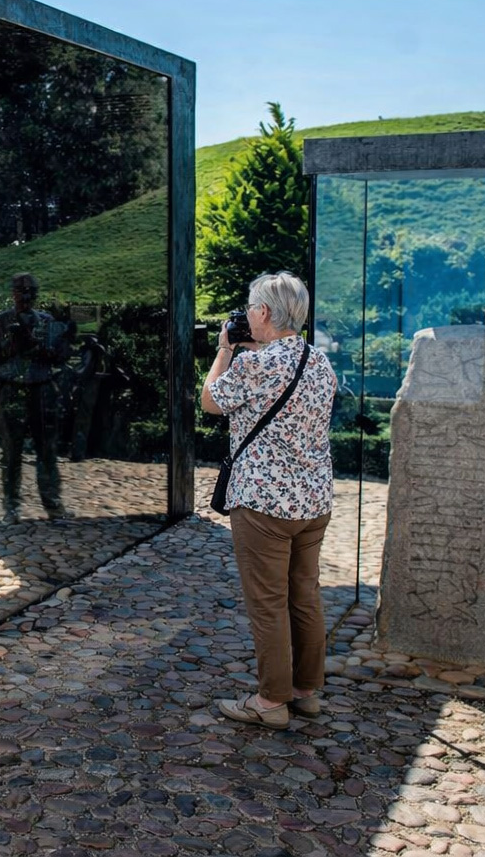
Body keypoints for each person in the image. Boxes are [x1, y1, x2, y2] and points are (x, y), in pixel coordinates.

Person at [201, 271, 337, 728]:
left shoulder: (254, 364)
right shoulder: (318, 362)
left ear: (262, 312)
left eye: (250, 307)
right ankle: (306, 692)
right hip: (313, 503)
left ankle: (270, 701)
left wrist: (225, 348)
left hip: (263, 504)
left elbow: (210, 402)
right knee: (304, 595)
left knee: (268, 601)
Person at [0, 273, 71, 522]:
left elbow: (57, 356)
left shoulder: (46, 321)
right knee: (11, 452)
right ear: (13, 293)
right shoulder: (0, 322)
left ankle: (52, 504)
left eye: (31, 291)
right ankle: (11, 507)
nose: (26, 296)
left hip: (41, 389)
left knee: (47, 451)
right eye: (21, 290)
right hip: (12, 389)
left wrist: (35, 343)